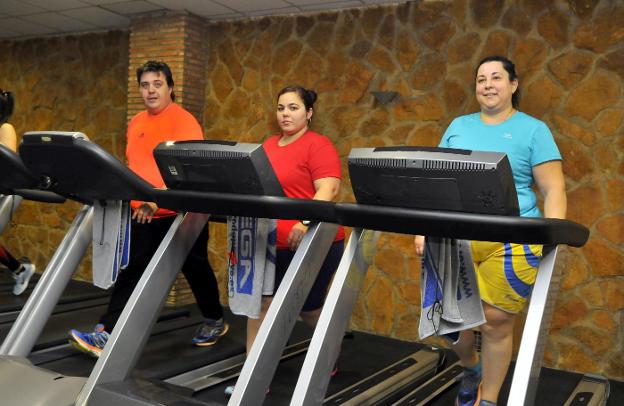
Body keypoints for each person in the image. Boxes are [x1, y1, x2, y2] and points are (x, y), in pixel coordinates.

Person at [415, 55, 567, 406]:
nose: (487, 85)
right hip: (455, 235)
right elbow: (436, 183)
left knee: (496, 321)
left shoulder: (533, 130)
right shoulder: (458, 125)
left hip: (513, 238)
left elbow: (554, 189)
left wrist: (556, 240)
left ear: (513, 85)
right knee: (451, 323)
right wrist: (423, 229)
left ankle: (489, 398)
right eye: (481, 79)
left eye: (496, 77)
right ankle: (471, 366)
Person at [69, 61, 228, 357]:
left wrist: (158, 199)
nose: (151, 90)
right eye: (145, 85)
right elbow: (136, 167)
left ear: (170, 88)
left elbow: (188, 172)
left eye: (157, 84)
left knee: (195, 267)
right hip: (142, 212)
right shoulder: (137, 122)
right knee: (133, 269)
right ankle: (106, 332)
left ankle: (214, 319)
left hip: (181, 214)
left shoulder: (184, 121)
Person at [225, 85, 344, 395]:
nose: (286, 114)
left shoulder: (318, 145)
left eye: (293, 108)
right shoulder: (267, 146)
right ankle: (253, 375)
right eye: (281, 108)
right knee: (261, 304)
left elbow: (328, 189)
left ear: (309, 113)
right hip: (269, 243)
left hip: (314, 243)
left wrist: (306, 222)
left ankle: (329, 353)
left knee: (309, 309)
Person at [0, 89, 36, 296]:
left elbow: (6, 162)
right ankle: (20, 270)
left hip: (5, 191)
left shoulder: (5, 127)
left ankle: (20, 269)